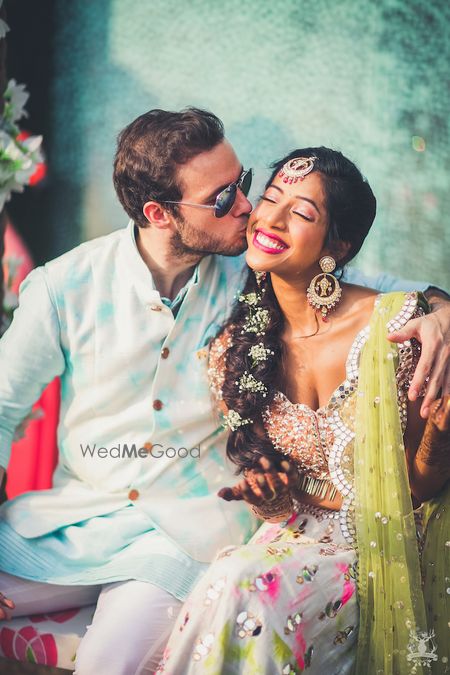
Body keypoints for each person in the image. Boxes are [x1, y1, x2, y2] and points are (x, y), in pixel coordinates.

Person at [0, 110, 448, 674]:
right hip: (71, 523)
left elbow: (375, 287)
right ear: (159, 214)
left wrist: (442, 310)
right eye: (222, 199)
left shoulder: (257, 268)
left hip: (181, 540)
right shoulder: (63, 287)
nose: (246, 207)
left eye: (243, 183)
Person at [148, 148, 450, 675]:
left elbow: (417, 487)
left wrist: (440, 431)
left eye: (303, 213)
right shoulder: (234, 352)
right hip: (287, 538)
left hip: (386, 546)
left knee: (250, 588)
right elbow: (287, 495)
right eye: (270, 198)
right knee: (232, 581)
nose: (273, 218)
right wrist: (270, 495)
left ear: (338, 246)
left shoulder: (393, 328)